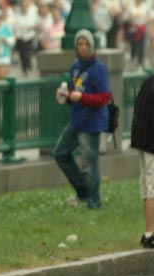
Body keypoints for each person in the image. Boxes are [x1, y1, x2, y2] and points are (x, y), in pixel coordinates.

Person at [53, 29, 110, 210]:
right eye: (80, 44)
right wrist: (66, 96)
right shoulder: (75, 66)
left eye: (86, 44)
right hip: (77, 119)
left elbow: (104, 98)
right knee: (61, 153)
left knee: (89, 165)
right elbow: (73, 91)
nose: (83, 47)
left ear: (91, 46)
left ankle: (94, 202)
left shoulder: (98, 68)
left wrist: (83, 98)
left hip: (91, 122)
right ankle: (83, 191)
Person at [130, 72, 154, 249]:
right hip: (153, 143)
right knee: (153, 188)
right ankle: (152, 233)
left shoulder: (149, 83)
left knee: (147, 187)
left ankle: (150, 231)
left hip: (143, 142)